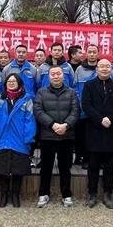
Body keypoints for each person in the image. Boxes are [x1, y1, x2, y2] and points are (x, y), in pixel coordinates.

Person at [0, 73, 36, 208]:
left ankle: (15, 195)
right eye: (9, 81)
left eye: (14, 81)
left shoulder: (26, 100)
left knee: (18, 170)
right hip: (2, 138)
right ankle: (4, 195)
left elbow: (30, 120)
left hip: (19, 139)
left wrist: (28, 137)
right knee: (2, 169)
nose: (11, 83)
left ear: (20, 84)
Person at [81, 59, 113, 209]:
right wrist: (100, 119)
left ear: (111, 69)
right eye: (102, 66)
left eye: (107, 66)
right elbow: (86, 105)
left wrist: (110, 119)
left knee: (110, 166)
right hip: (94, 130)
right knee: (93, 166)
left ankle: (108, 194)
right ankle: (92, 194)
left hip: (112, 131)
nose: (105, 69)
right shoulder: (89, 85)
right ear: (97, 69)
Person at [34, 66, 79, 208]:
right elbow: (38, 111)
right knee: (45, 167)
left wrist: (66, 125)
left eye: (58, 73)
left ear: (63, 75)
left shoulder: (71, 92)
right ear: (48, 77)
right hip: (48, 135)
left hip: (67, 135)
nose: (56, 76)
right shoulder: (41, 92)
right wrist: (52, 125)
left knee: (65, 167)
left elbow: (75, 111)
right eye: (52, 74)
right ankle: (43, 193)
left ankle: (66, 195)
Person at [72, 44, 99, 169]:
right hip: (82, 109)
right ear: (86, 54)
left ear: (98, 54)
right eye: (90, 52)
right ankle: (80, 157)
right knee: (81, 135)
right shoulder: (80, 69)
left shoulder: (102, 67)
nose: (92, 54)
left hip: (98, 110)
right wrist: (80, 103)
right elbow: (75, 88)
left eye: (94, 52)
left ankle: (92, 159)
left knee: (95, 136)